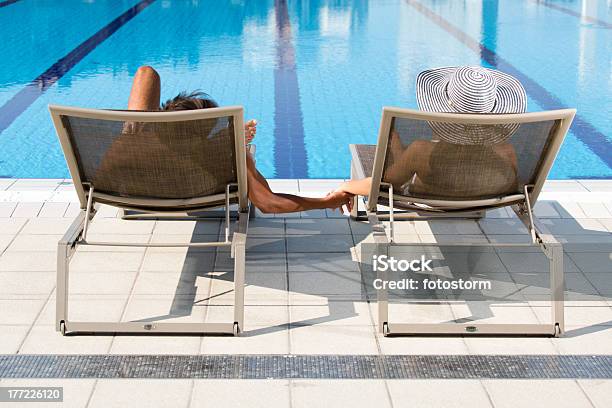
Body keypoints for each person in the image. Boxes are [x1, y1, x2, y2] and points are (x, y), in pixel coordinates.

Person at [102, 65, 353, 214]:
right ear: (204, 138)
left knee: (146, 74)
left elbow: (146, 74)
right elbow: (269, 203)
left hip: (135, 188)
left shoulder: (133, 139)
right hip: (185, 187)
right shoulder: (221, 157)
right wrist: (328, 201)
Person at [333, 66, 524, 199]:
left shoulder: (421, 152)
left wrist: (345, 187)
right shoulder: (505, 151)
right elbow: (511, 181)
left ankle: (399, 155)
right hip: (477, 197)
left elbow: (384, 185)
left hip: (430, 197)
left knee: (399, 160)